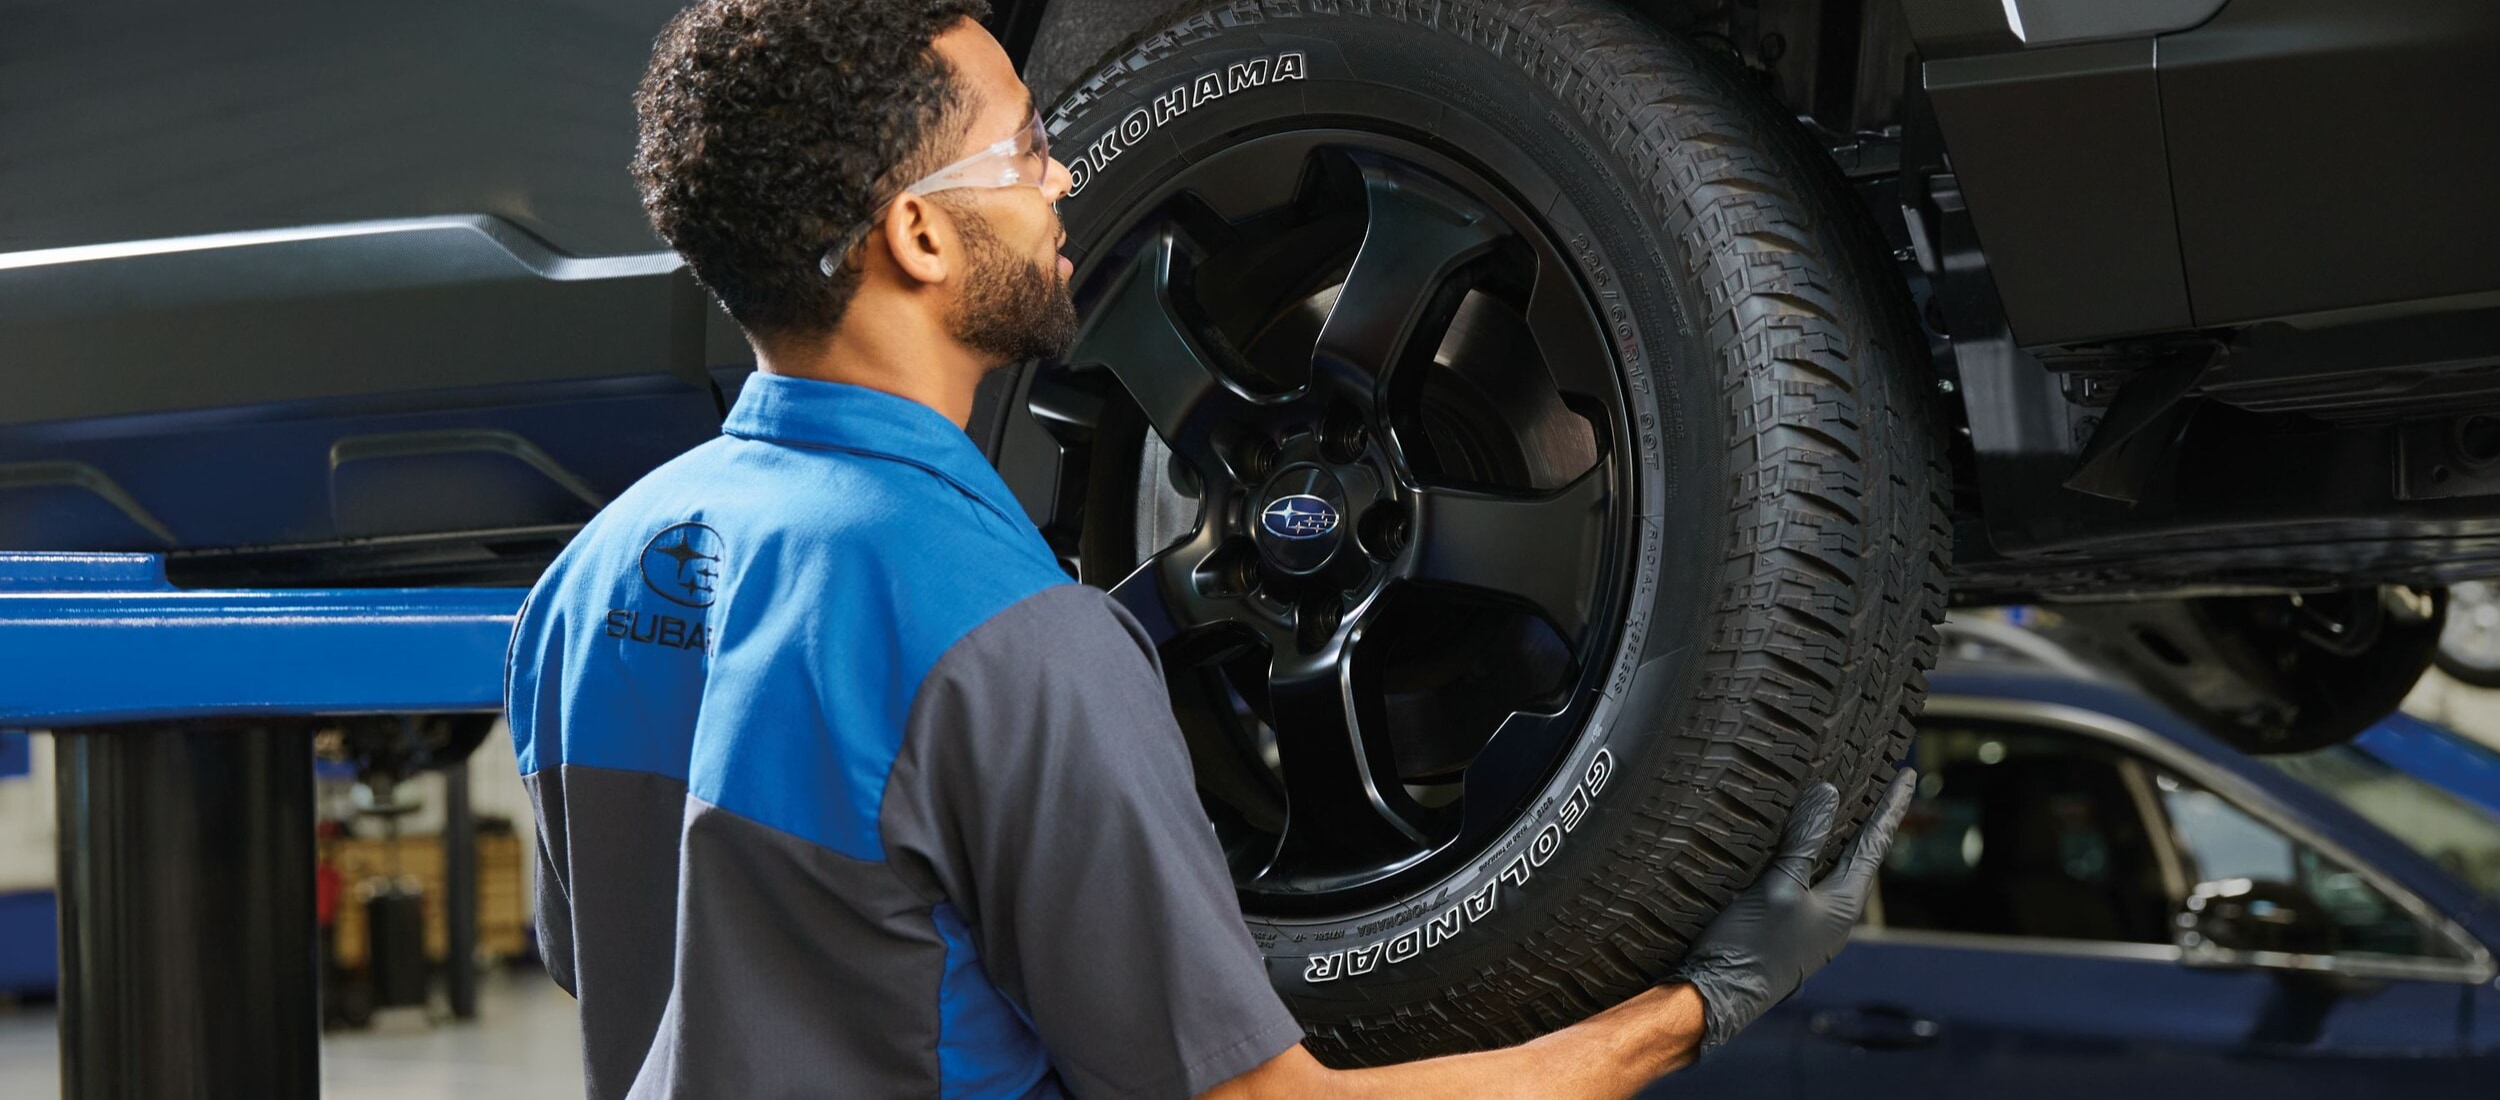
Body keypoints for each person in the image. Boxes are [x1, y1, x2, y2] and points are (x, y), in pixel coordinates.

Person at [504, 3, 1914, 1097]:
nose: (1061, 186)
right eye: (1026, 149)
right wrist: (1697, 1007)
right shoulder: (1013, 641)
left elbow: (622, 961)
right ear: (919, 236)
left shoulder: (588, 586)